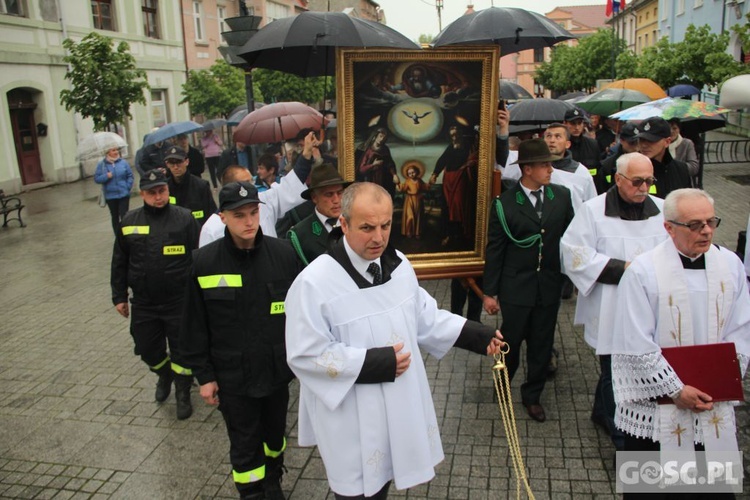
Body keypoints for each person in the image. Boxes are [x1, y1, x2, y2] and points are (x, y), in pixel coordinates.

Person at [285, 182, 504, 499]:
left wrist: (475, 334)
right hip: (353, 417)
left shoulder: (398, 264)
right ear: (343, 223)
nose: (378, 238)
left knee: (384, 483)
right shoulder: (315, 283)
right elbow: (305, 355)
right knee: (359, 491)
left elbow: (423, 316)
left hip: (398, 406)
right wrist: (373, 363)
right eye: (367, 227)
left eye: (386, 225)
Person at [610, 189, 750, 497]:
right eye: (695, 224)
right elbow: (634, 340)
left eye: (711, 222)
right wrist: (675, 389)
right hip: (658, 407)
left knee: (712, 490)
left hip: (712, 403)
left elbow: (742, 328)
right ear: (669, 227)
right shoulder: (643, 271)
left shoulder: (731, 264)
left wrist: (723, 378)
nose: (707, 231)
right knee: (649, 490)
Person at [181, 181, 302, 500]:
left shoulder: (284, 256)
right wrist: (204, 377)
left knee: (275, 435)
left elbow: (303, 314)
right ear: (222, 218)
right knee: (245, 441)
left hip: (276, 370)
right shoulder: (204, 262)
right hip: (232, 375)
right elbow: (194, 324)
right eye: (239, 215)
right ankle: (252, 492)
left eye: (253, 213)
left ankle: (273, 475)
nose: (249, 222)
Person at [560, 152, 668, 450]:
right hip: (612, 304)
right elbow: (573, 252)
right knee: (614, 368)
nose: (644, 188)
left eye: (649, 181)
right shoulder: (593, 211)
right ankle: (621, 437)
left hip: (652, 306)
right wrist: (627, 270)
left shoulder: (662, 210)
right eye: (637, 182)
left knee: (636, 364)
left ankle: (601, 411)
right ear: (618, 179)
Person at [482, 139, 574, 423]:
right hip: (515, 288)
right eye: (545, 164)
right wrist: (490, 293)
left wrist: (572, 277)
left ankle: (532, 396)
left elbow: (572, 240)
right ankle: (503, 384)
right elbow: (495, 249)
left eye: (550, 164)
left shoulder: (562, 196)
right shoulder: (505, 203)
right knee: (510, 341)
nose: (550, 169)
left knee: (542, 343)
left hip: (548, 286)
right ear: (528, 169)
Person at [110, 169, 200, 420]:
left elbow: (198, 257)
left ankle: (183, 392)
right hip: (145, 303)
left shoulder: (184, 219)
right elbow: (119, 261)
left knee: (183, 350)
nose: (158, 197)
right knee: (146, 348)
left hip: (178, 301)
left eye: (162, 191)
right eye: (152, 193)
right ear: (142, 194)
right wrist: (118, 296)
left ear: (168, 190)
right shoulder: (129, 221)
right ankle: (164, 373)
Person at [199, 131, 320, 246]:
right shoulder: (211, 228)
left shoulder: (264, 202)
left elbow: (290, 185)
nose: (251, 186)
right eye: (246, 183)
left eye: (251, 181)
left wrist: (306, 154)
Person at [287, 163, 350, 265]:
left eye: (339, 193)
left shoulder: (354, 222)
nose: (336, 200)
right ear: (314, 197)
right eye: (329, 194)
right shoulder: (300, 235)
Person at [429, 125, 477, 246]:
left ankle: (460, 233)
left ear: (460, 134)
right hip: (448, 179)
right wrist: (435, 174)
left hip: (461, 179)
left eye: (456, 135)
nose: (454, 138)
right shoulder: (451, 147)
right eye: (452, 136)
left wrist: (467, 165)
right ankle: (449, 234)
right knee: (448, 207)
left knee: (458, 205)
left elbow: (474, 159)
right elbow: (442, 160)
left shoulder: (468, 147)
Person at [634, 117, 692, 198]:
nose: (644, 145)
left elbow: (687, 201)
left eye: (651, 140)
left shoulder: (681, 169)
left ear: (667, 142)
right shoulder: (630, 169)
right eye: (641, 140)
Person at [164, 146, 217, 228]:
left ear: (187, 162)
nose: (175, 167)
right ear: (167, 164)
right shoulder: (164, 188)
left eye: (179, 162)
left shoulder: (201, 186)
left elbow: (211, 214)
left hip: (197, 231)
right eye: (172, 163)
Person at [94, 147, 134, 236]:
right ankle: (118, 236)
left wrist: (128, 187)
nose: (116, 152)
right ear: (107, 152)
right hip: (111, 196)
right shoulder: (102, 165)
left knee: (125, 216)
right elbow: (96, 179)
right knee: (115, 216)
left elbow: (130, 175)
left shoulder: (123, 162)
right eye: (113, 150)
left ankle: (126, 235)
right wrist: (106, 176)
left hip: (124, 194)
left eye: (116, 150)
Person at [564, 108, 601, 188]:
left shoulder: (593, 145)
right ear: (565, 124)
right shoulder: (562, 146)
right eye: (572, 123)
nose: (576, 127)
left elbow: (598, 172)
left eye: (579, 123)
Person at [598, 122, 639, 191]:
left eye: (638, 142)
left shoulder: (648, 162)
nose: (636, 147)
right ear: (621, 141)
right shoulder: (607, 166)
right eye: (631, 143)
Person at [355, 127, 397, 196]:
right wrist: (373, 165)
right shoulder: (367, 150)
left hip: (383, 178)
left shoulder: (385, 149)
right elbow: (361, 169)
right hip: (370, 179)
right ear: (375, 136)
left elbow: (390, 163)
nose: (381, 139)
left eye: (384, 137)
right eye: (380, 136)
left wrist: (394, 174)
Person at [394, 162, 430, 239]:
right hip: (409, 200)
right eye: (409, 173)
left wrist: (430, 182)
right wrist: (397, 184)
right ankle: (409, 232)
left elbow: (425, 187)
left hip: (418, 200)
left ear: (417, 172)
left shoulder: (419, 180)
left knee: (418, 216)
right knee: (410, 217)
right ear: (407, 174)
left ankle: (417, 233)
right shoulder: (407, 181)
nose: (412, 174)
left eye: (413, 172)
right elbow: (402, 188)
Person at [667, 118, 699, 182]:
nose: (671, 131)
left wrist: (674, 166)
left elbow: (694, 167)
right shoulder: (659, 143)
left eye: (674, 128)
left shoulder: (687, 144)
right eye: (668, 128)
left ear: (679, 129)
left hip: (681, 182)